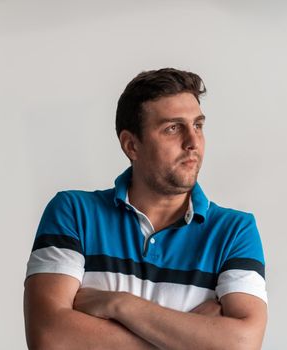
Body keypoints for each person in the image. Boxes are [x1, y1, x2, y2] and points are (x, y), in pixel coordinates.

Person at [23, 68, 267, 350]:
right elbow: (51, 338)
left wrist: (120, 305)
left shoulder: (234, 231)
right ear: (131, 145)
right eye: (173, 128)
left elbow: (242, 343)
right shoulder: (74, 213)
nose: (192, 142)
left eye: (198, 125)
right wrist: (193, 338)